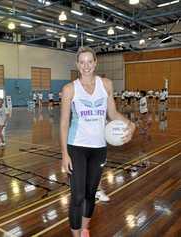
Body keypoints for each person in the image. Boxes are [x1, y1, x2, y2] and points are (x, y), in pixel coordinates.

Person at [60, 46, 135, 237]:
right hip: (76, 147)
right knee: (77, 195)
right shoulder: (69, 89)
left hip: (99, 148)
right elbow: (63, 124)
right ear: (77, 64)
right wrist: (64, 154)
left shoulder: (106, 84)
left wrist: (131, 124)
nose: (86, 66)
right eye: (82, 62)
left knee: (91, 193)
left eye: (89, 61)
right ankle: (76, 235)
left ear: (95, 63)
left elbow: (113, 113)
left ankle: (84, 229)